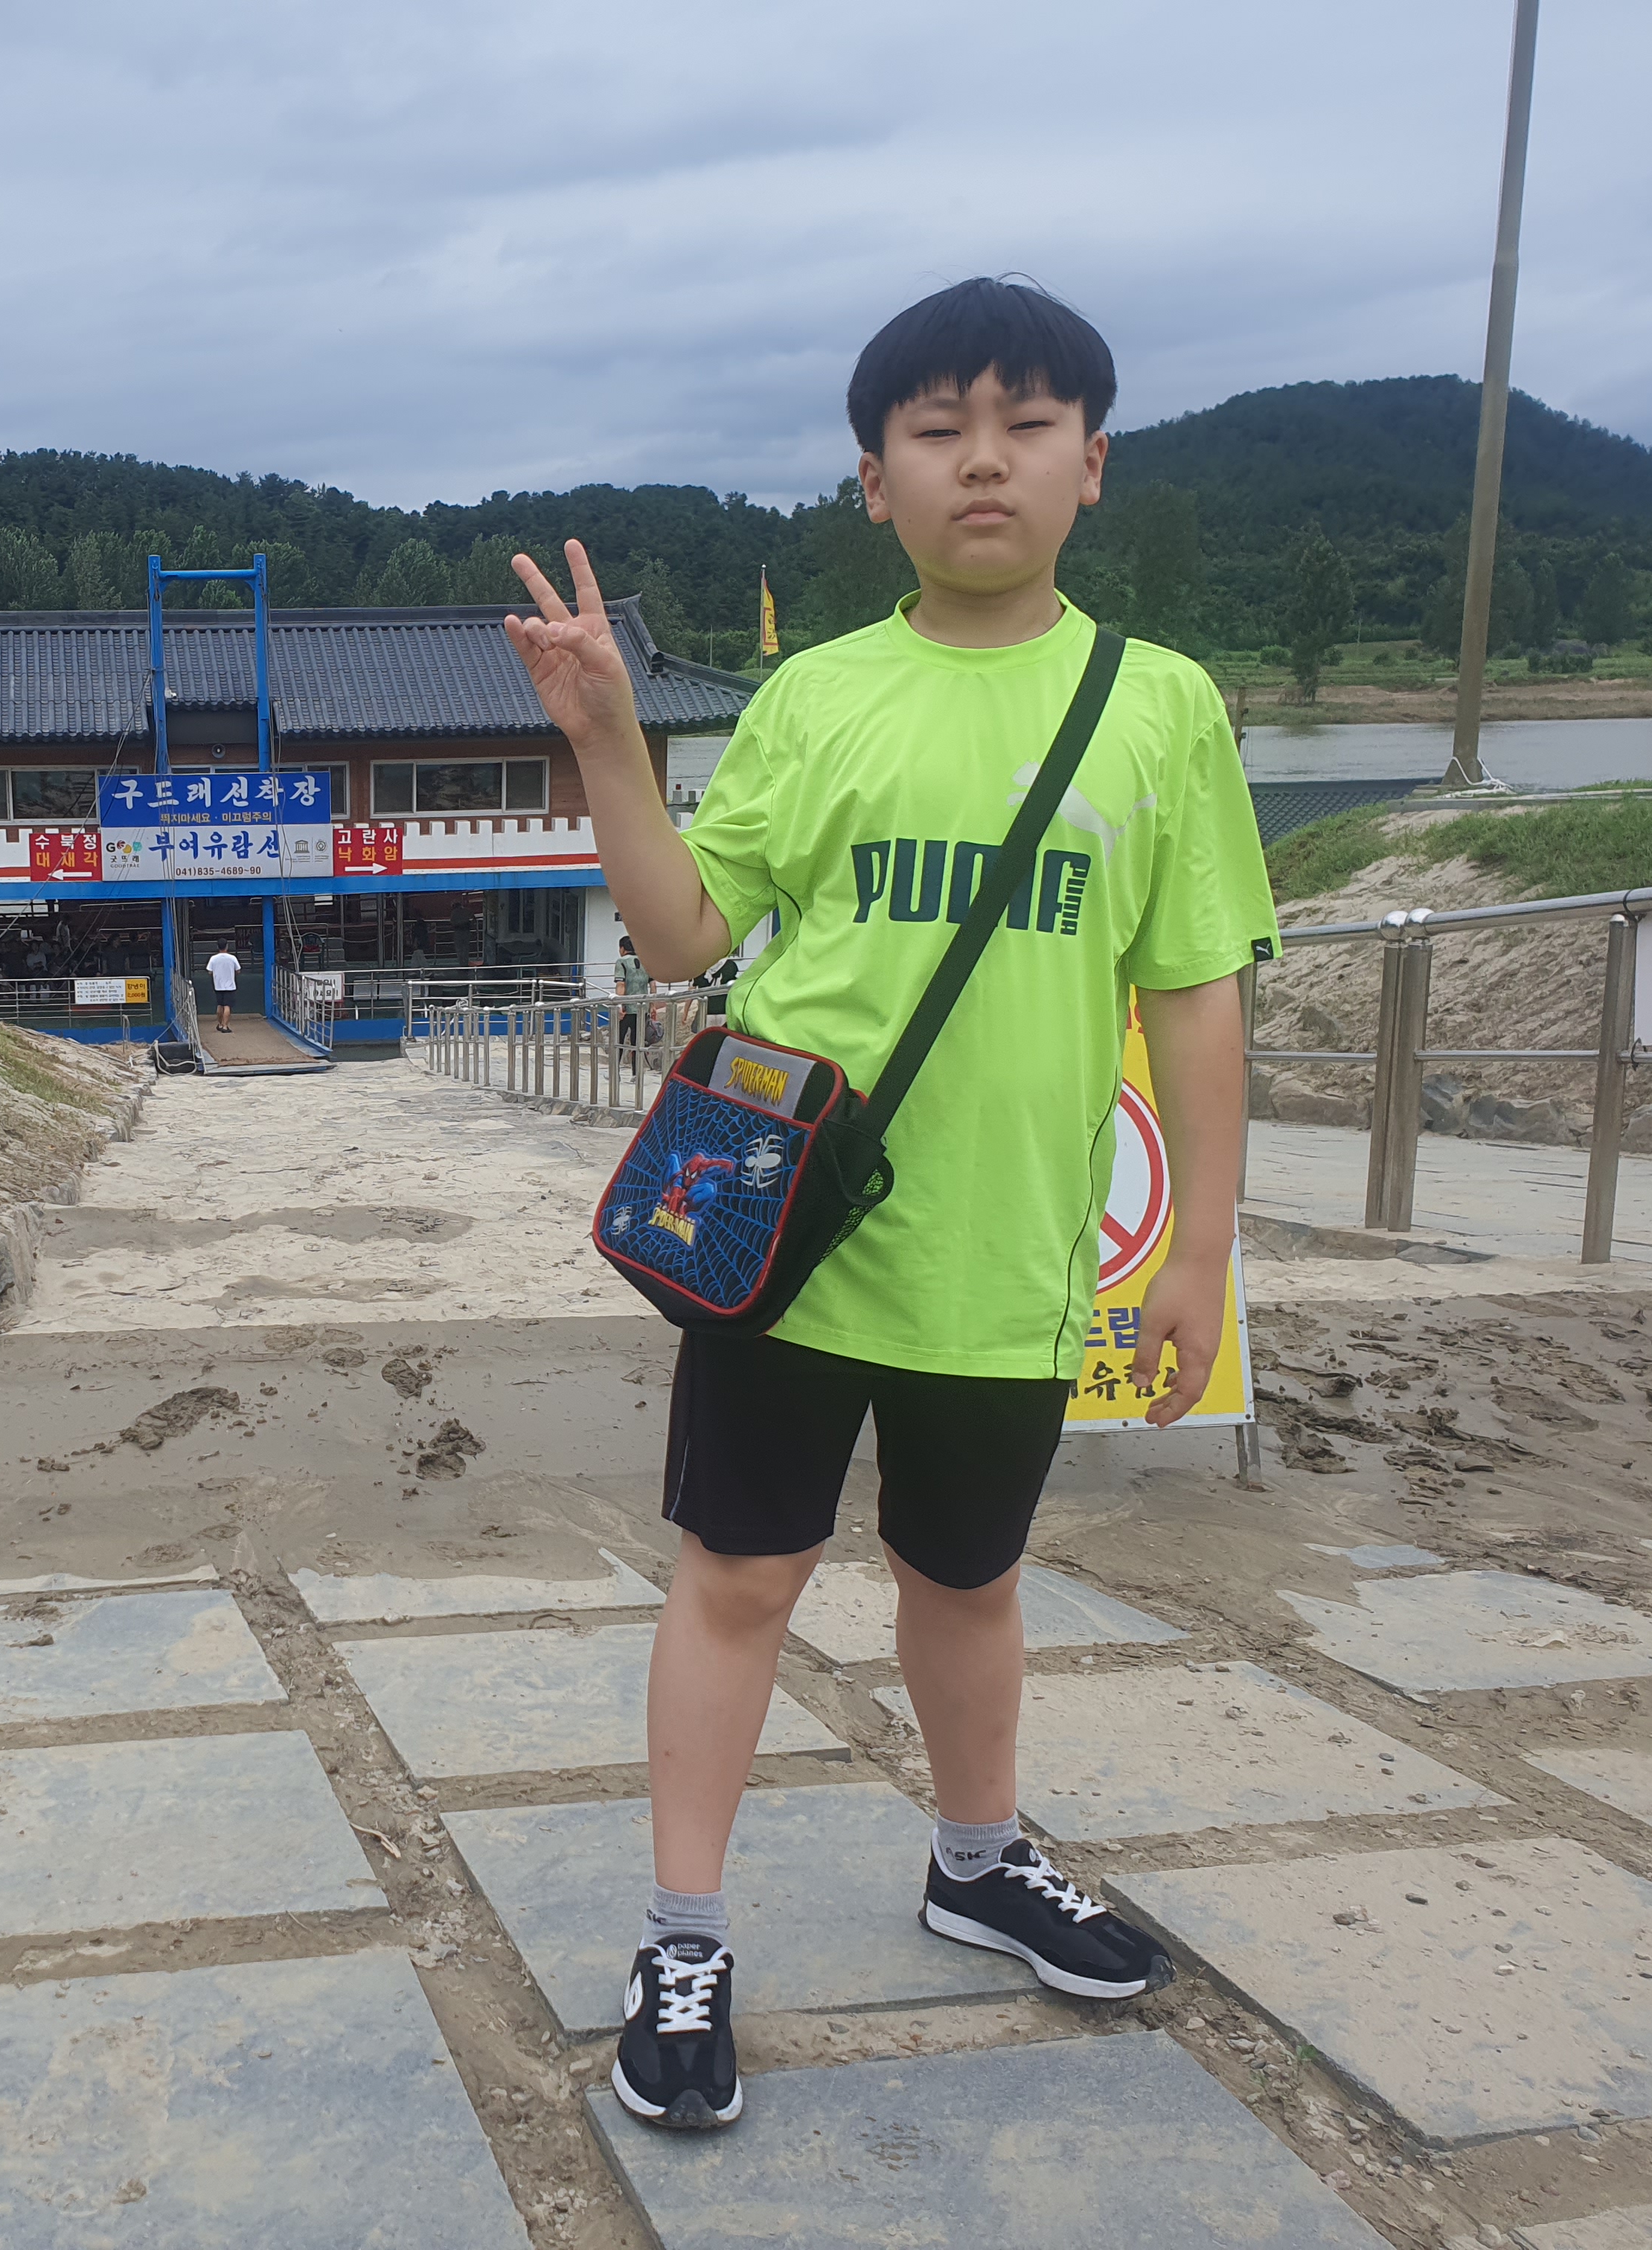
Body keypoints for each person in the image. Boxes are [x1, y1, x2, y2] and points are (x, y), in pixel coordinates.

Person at [505, 277, 1275, 2133]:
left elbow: (1195, 993)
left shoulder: (1161, 708)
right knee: (742, 1578)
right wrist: (608, 740)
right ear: (875, 482)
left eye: (1025, 426)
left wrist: (1198, 1253)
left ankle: (978, 1861)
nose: (981, 461)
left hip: (1013, 1252)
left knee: (971, 1579)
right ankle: (685, 1938)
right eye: (937, 432)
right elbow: (683, 935)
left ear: (1092, 464)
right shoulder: (818, 695)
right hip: (790, 1233)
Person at [614, 933, 650, 1048]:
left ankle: (617, 1061)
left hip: (627, 1009)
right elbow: (653, 985)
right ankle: (637, 1061)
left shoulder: (622, 961)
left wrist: (619, 1005)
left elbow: (621, 984)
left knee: (619, 1041)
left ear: (622, 948)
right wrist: (653, 1006)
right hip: (643, 1008)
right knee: (638, 1042)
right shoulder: (645, 961)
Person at [205, 941, 240, 1033]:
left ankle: (220, 1024)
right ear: (227, 946)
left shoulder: (213, 958)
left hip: (218, 985)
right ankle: (225, 1026)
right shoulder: (232, 958)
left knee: (220, 1005)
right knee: (227, 1006)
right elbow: (238, 970)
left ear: (218, 947)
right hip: (230, 986)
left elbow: (209, 971)